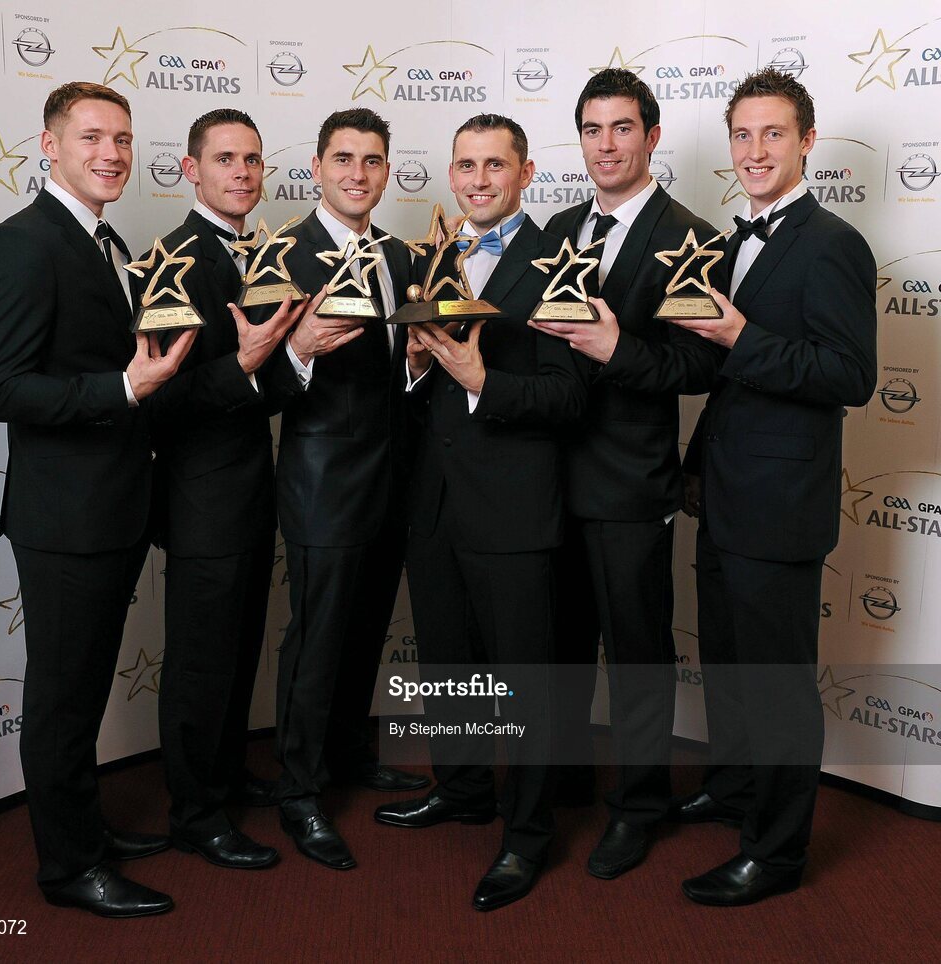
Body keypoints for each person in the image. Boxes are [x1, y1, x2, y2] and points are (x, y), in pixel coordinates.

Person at [0, 81, 196, 917]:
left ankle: (86, 832)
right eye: (93, 137)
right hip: (64, 518)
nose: (112, 153)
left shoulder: (105, 240)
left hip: (109, 510)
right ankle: (68, 870)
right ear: (49, 144)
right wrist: (125, 387)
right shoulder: (23, 243)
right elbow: (5, 391)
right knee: (62, 702)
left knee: (82, 692)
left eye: (124, 139)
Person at [669, 68, 877, 906]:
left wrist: (744, 336)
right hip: (720, 496)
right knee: (726, 665)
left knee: (778, 683)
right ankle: (733, 788)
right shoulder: (727, 242)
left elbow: (850, 375)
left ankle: (778, 852)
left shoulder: (832, 242)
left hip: (780, 509)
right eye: (743, 136)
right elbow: (713, 370)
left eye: (773, 135)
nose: (756, 151)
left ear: (806, 142)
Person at [374, 113, 587, 911]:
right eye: (465, 166)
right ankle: (461, 789)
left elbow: (570, 397)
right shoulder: (432, 255)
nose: (477, 180)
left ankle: (526, 836)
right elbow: (414, 383)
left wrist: (478, 378)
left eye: (495, 166)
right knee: (449, 662)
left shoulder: (561, 263)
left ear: (526, 174)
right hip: (435, 504)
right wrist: (414, 362)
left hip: (517, 509)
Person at [530, 68, 722, 879]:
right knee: (560, 644)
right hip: (545, 481)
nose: (605, 145)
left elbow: (696, 365)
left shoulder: (691, 236)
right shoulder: (558, 227)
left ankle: (639, 807)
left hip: (631, 482)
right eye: (591, 130)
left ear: (650, 135)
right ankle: (570, 776)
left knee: (638, 652)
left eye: (620, 129)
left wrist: (618, 351)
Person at [143, 108, 315, 870]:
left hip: (248, 490)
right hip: (200, 496)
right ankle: (194, 813)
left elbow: (257, 388)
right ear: (191, 169)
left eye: (252, 159)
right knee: (201, 662)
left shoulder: (264, 250)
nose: (242, 173)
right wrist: (248, 365)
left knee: (238, 647)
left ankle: (225, 776)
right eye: (224, 160)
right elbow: (161, 397)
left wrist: (297, 357)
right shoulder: (172, 260)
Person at [264, 107, 426, 870]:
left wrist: (420, 364)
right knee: (320, 635)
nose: (358, 173)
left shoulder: (405, 254)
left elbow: (405, 368)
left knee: (365, 628)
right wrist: (296, 347)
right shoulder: (284, 253)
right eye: (343, 159)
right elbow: (257, 381)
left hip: (393, 474)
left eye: (371, 160)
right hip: (322, 476)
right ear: (318, 168)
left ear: (386, 171)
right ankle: (298, 789)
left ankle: (350, 754)